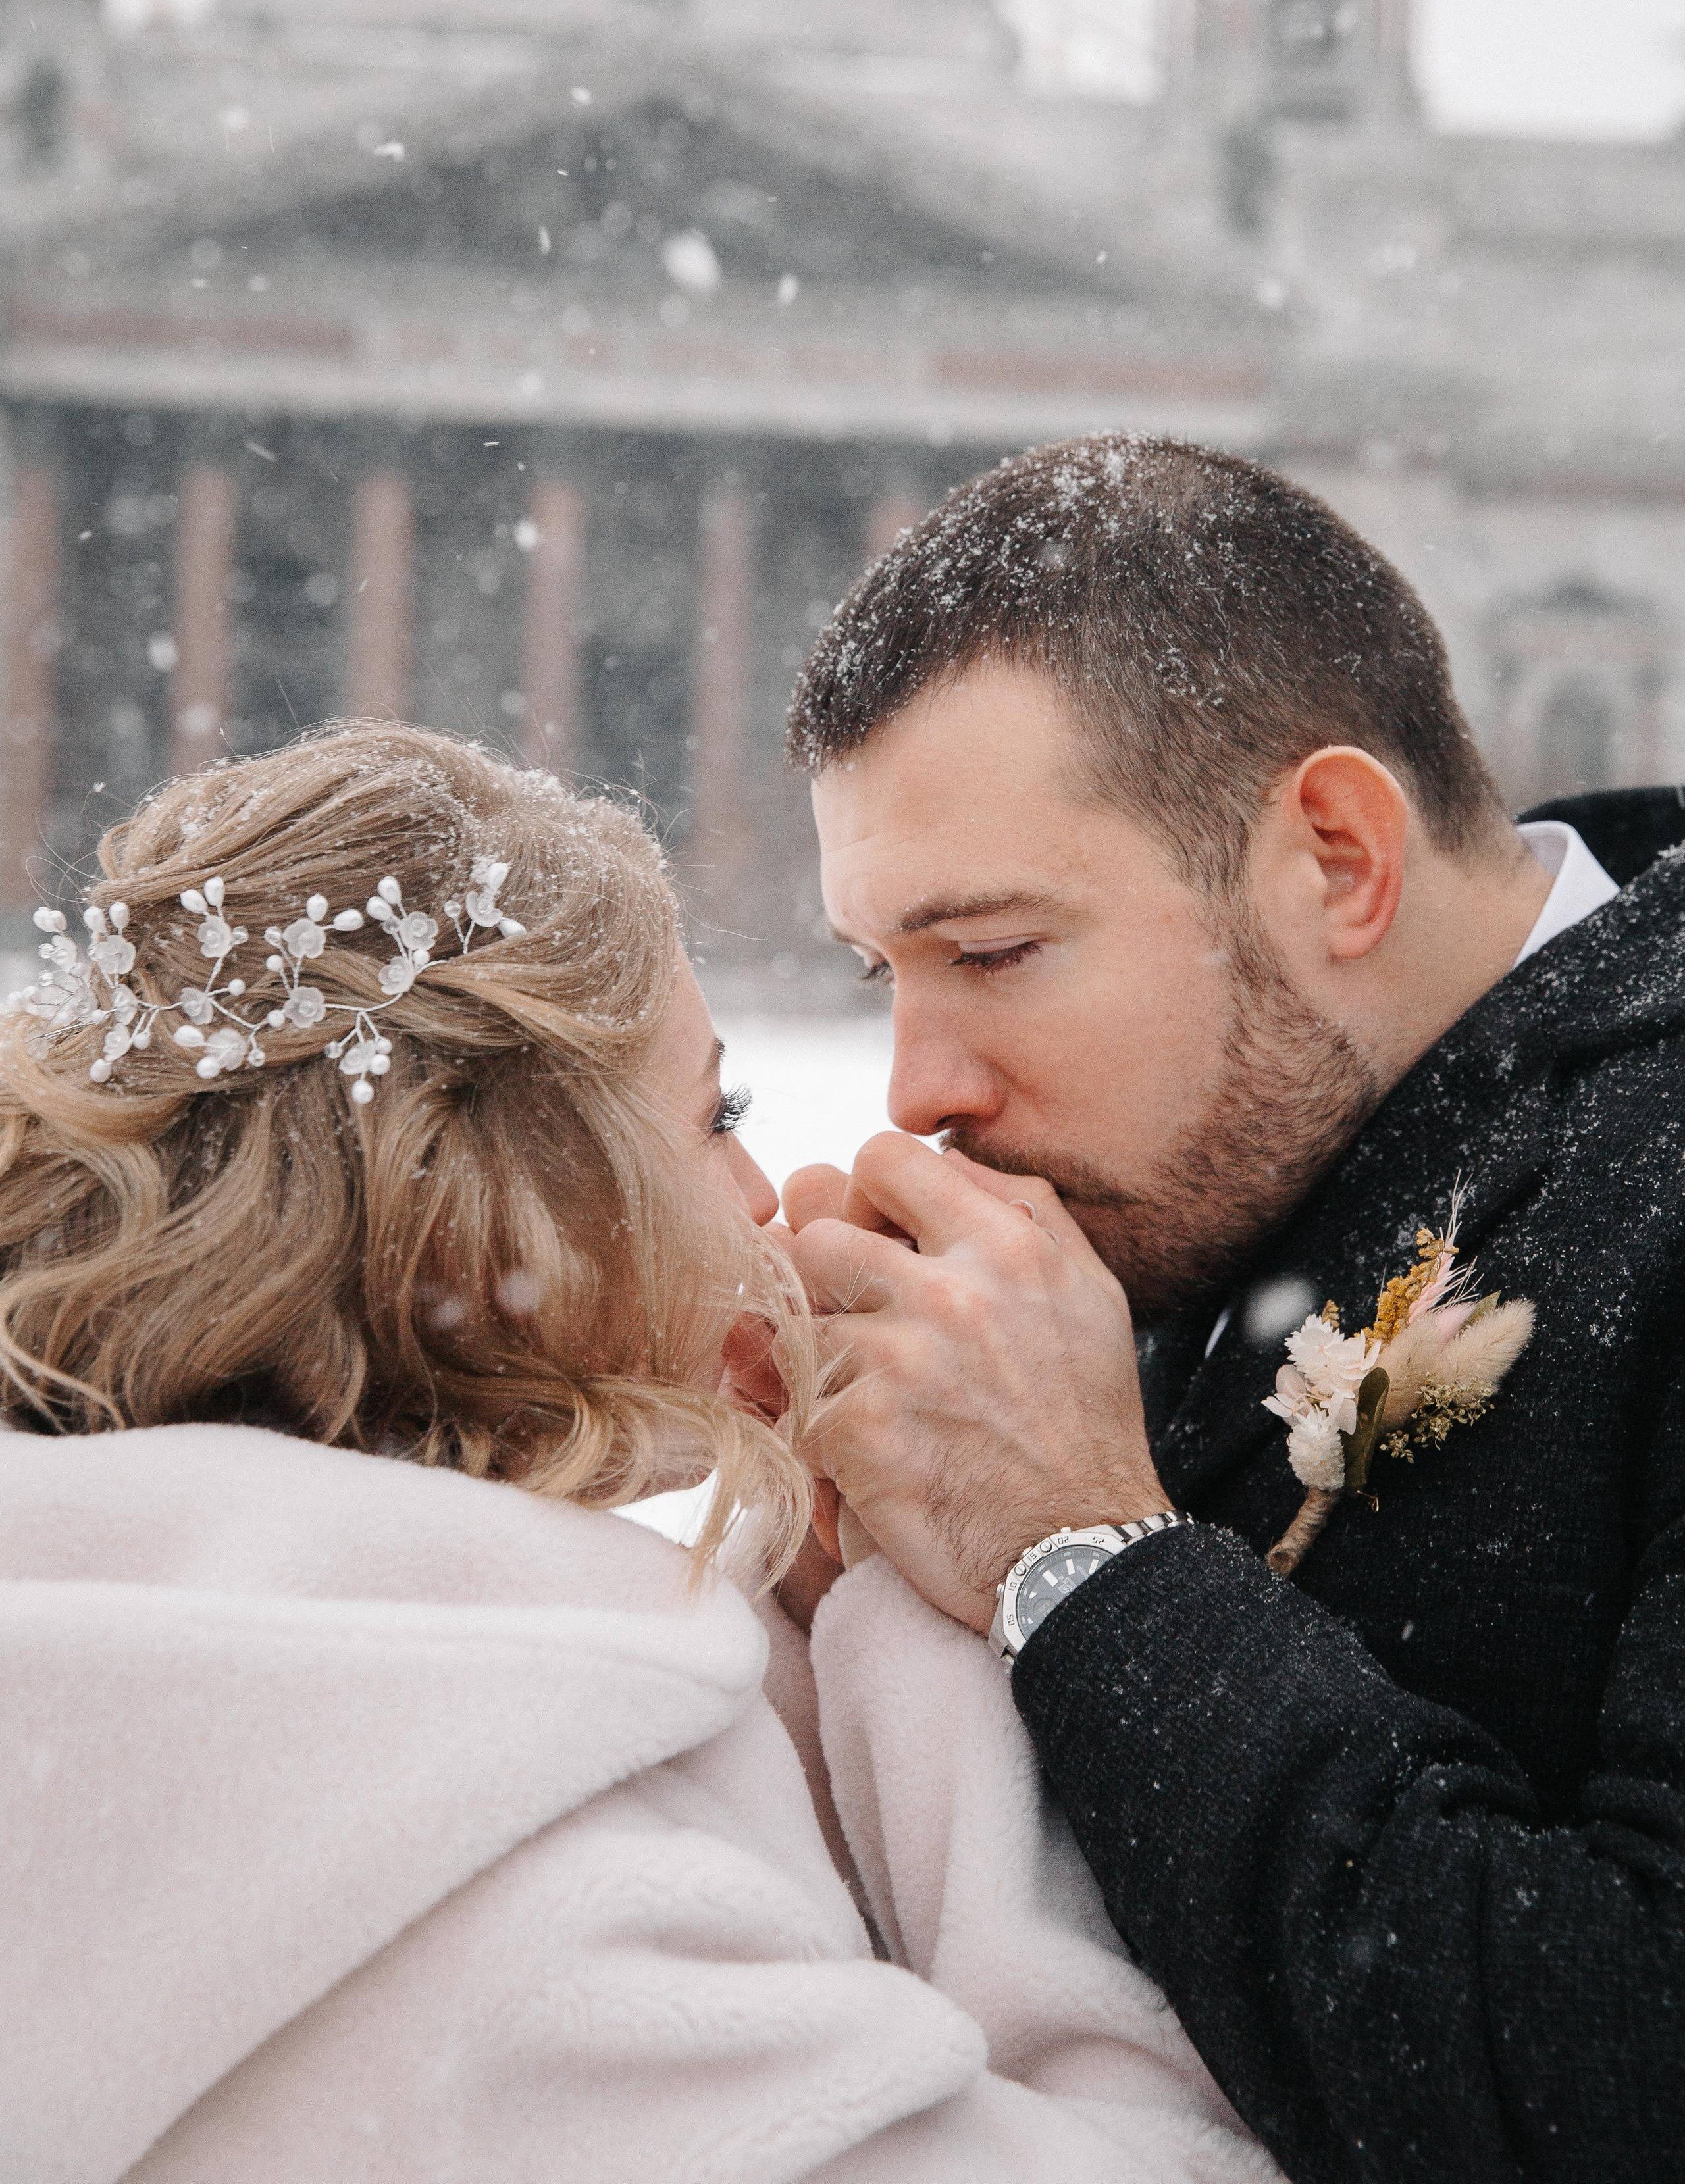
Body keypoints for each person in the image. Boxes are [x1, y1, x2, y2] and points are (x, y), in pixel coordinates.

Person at [0, 719, 1274, 2184]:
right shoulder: (519, 1874)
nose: (760, 1196)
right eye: (709, 1116)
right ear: (492, 1214)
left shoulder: (133, 1673)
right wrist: (923, 1629)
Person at [781, 433, 1685, 2184]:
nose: (917, 1087)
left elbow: (1630, 2081)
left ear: (1340, 858)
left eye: (996, 951)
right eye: (879, 971)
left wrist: (1084, 1560)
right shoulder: (1199, 1176)